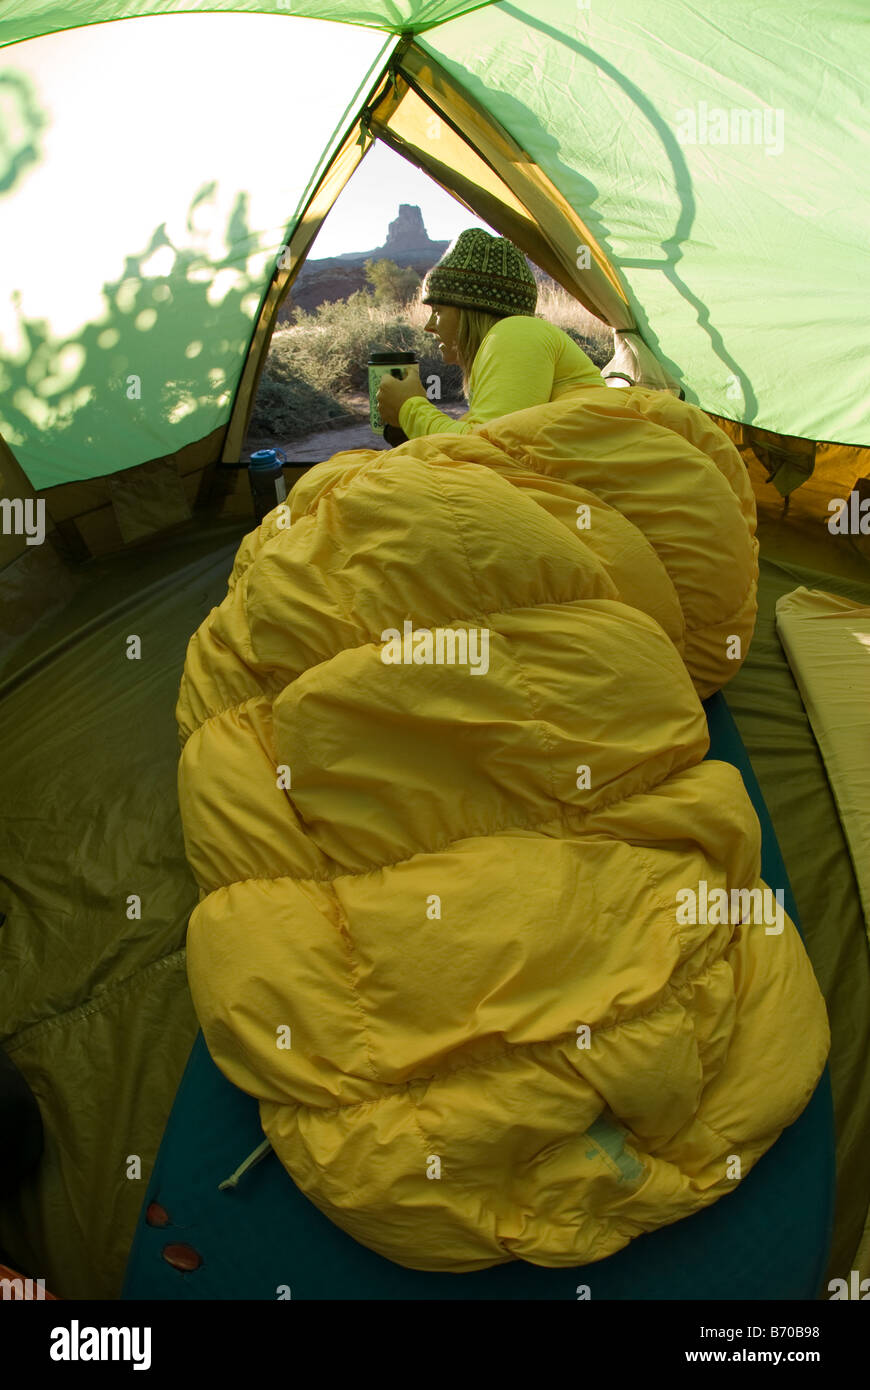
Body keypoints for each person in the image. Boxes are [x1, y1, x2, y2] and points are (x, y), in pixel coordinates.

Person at [377, 227, 605, 439]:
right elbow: (480, 438)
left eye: (438, 310)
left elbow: (487, 448)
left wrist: (409, 407)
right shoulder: (507, 348)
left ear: (472, 311)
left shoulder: (517, 331)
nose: (429, 325)